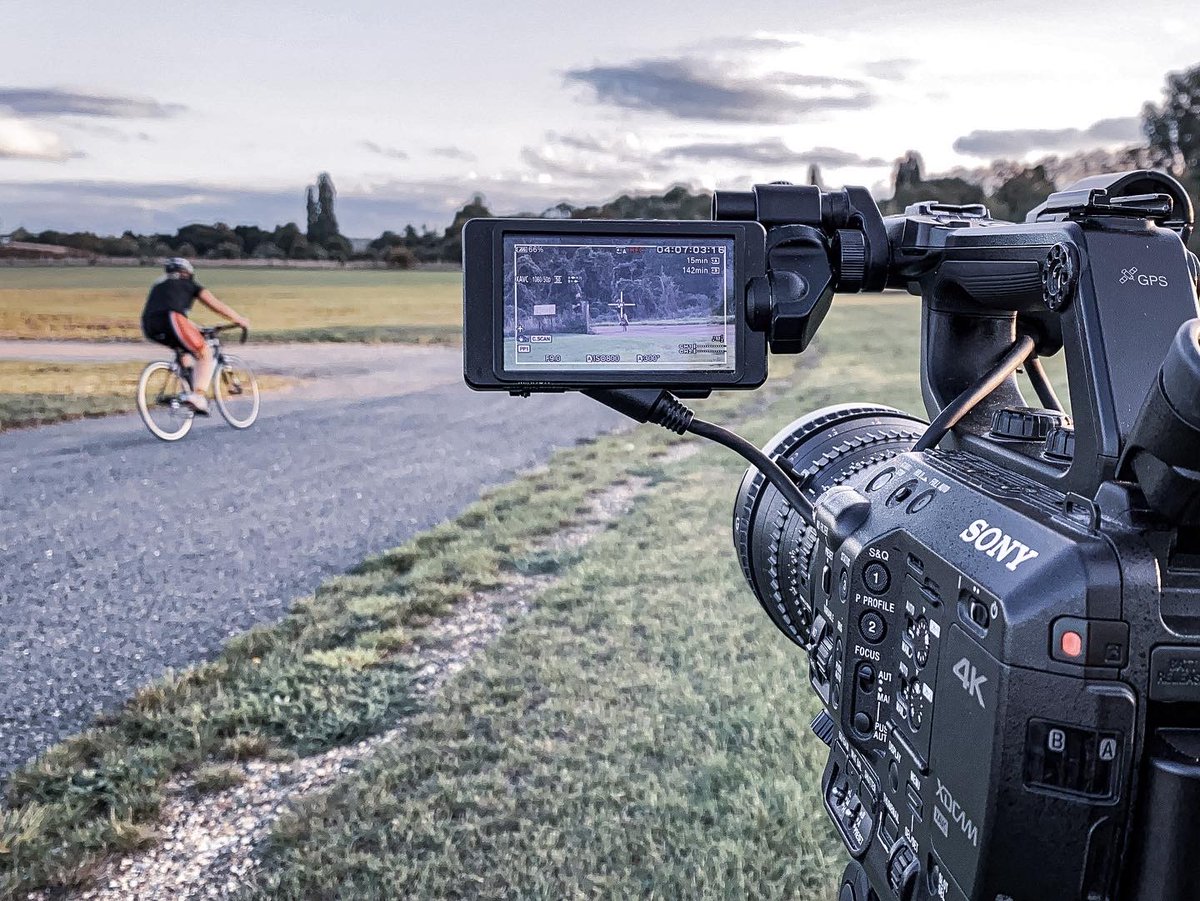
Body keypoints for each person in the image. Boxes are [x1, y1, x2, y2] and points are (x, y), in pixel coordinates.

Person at [141, 258, 249, 414]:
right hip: (172, 318)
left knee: (184, 349)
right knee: (204, 352)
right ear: (188, 273)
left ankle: (187, 387)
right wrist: (238, 319)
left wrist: (194, 329)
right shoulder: (189, 285)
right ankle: (198, 396)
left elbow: (167, 309)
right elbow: (216, 305)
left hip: (149, 324)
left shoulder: (159, 285)